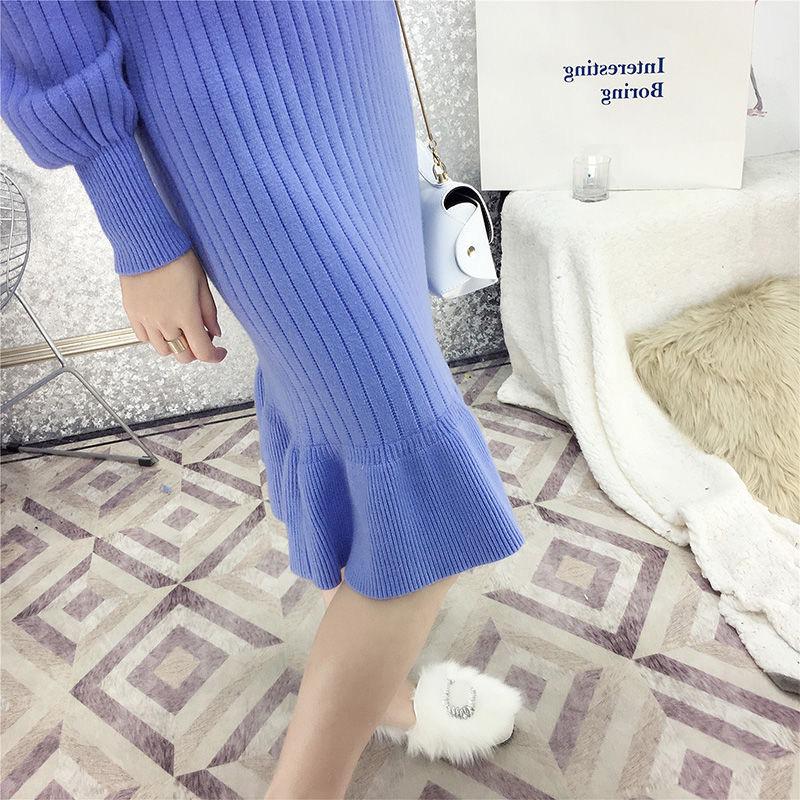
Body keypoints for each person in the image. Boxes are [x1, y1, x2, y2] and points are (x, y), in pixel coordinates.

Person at [1, 2, 526, 796]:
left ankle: (382, 692)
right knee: (416, 471)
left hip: (356, 70)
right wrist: (138, 229)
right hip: (222, 102)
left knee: (339, 411)